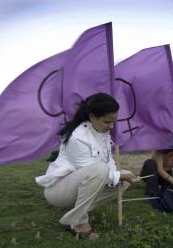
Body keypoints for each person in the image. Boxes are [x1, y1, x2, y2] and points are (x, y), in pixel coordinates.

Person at [35, 93, 139, 240]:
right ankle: (78, 223)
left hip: (81, 184)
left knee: (123, 179)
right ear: (91, 117)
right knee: (105, 171)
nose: (111, 126)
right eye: (107, 122)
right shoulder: (77, 137)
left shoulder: (102, 132)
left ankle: (75, 213)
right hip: (59, 191)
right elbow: (95, 170)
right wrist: (119, 175)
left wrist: (121, 175)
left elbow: (108, 161)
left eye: (114, 121)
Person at [140, 147, 173, 211]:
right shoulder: (160, 144)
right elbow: (160, 170)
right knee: (149, 163)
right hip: (152, 171)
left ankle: (162, 195)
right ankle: (153, 195)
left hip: (166, 173)